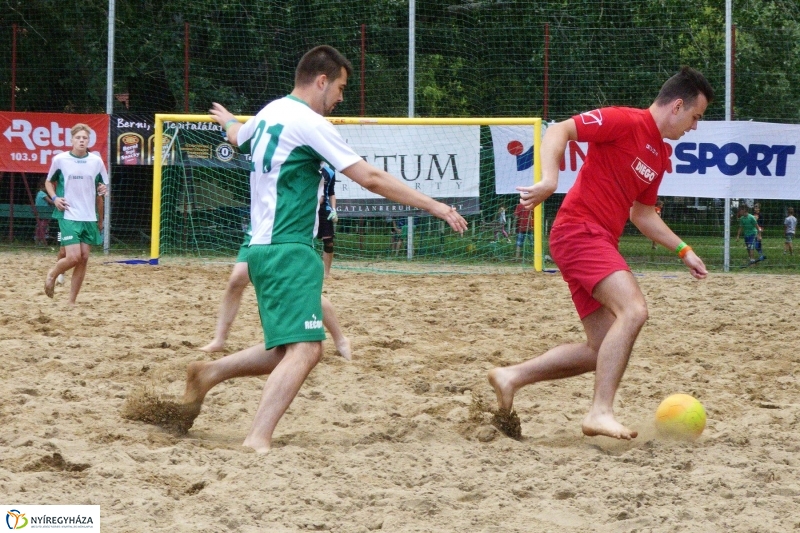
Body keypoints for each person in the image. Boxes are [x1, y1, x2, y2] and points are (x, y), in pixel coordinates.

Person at [184, 45, 466, 453]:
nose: (340, 98)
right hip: (289, 246)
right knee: (307, 350)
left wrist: (230, 119)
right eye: (340, 88)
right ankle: (257, 437)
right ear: (321, 81)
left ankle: (207, 373)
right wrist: (436, 205)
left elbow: (236, 135)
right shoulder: (309, 122)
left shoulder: (268, 113)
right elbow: (369, 177)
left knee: (286, 346)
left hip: (259, 249)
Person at [488, 66, 713, 440]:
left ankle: (511, 376)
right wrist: (550, 179)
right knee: (635, 310)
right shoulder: (624, 121)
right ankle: (599, 411)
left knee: (603, 348)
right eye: (695, 116)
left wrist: (683, 249)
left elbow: (641, 215)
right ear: (677, 106)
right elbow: (560, 128)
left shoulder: (659, 156)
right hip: (579, 231)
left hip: (595, 240)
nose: (694, 126)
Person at [199, 228, 352, 359]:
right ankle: (219, 340)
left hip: (285, 231)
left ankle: (340, 339)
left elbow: (316, 198)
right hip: (258, 231)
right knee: (236, 280)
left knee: (301, 290)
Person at [43, 124, 109, 305]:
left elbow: (103, 187)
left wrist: (104, 189)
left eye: (85, 138)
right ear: (71, 140)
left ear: (89, 141)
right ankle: (52, 274)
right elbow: (49, 182)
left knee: (84, 258)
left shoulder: (96, 161)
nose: (81, 140)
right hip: (68, 214)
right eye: (78, 137)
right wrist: (55, 198)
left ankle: (71, 302)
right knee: (73, 257)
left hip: (89, 216)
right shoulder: (61, 159)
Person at [317, 164, 338, 278]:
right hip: (307, 209)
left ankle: (327, 273)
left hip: (324, 210)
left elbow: (331, 193)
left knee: (329, 242)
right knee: (304, 240)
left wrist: (334, 210)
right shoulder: (305, 167)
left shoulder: (329, 172)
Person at [34, 179, 55, 246]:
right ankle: (42, 240)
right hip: (44, 213)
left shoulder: (39, 193)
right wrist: (57, 201)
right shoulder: (42, 194)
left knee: (41, 226)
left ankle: (39, 240)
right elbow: (51, 202)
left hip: (40, 213)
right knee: (43, 226)